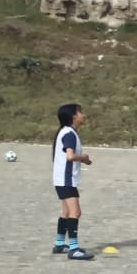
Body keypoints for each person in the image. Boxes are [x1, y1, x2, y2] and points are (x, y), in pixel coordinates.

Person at [51, 103, 94, 261]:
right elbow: (70, 156)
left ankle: (59, 244)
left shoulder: (65, 131)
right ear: (73, 116)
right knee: (75, 213)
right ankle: (74, 249)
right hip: (66, 180)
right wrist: (83, 158)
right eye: (80, 112)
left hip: (61, 179)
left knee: (66, 213)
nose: (83, 115)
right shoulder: (69, 133)